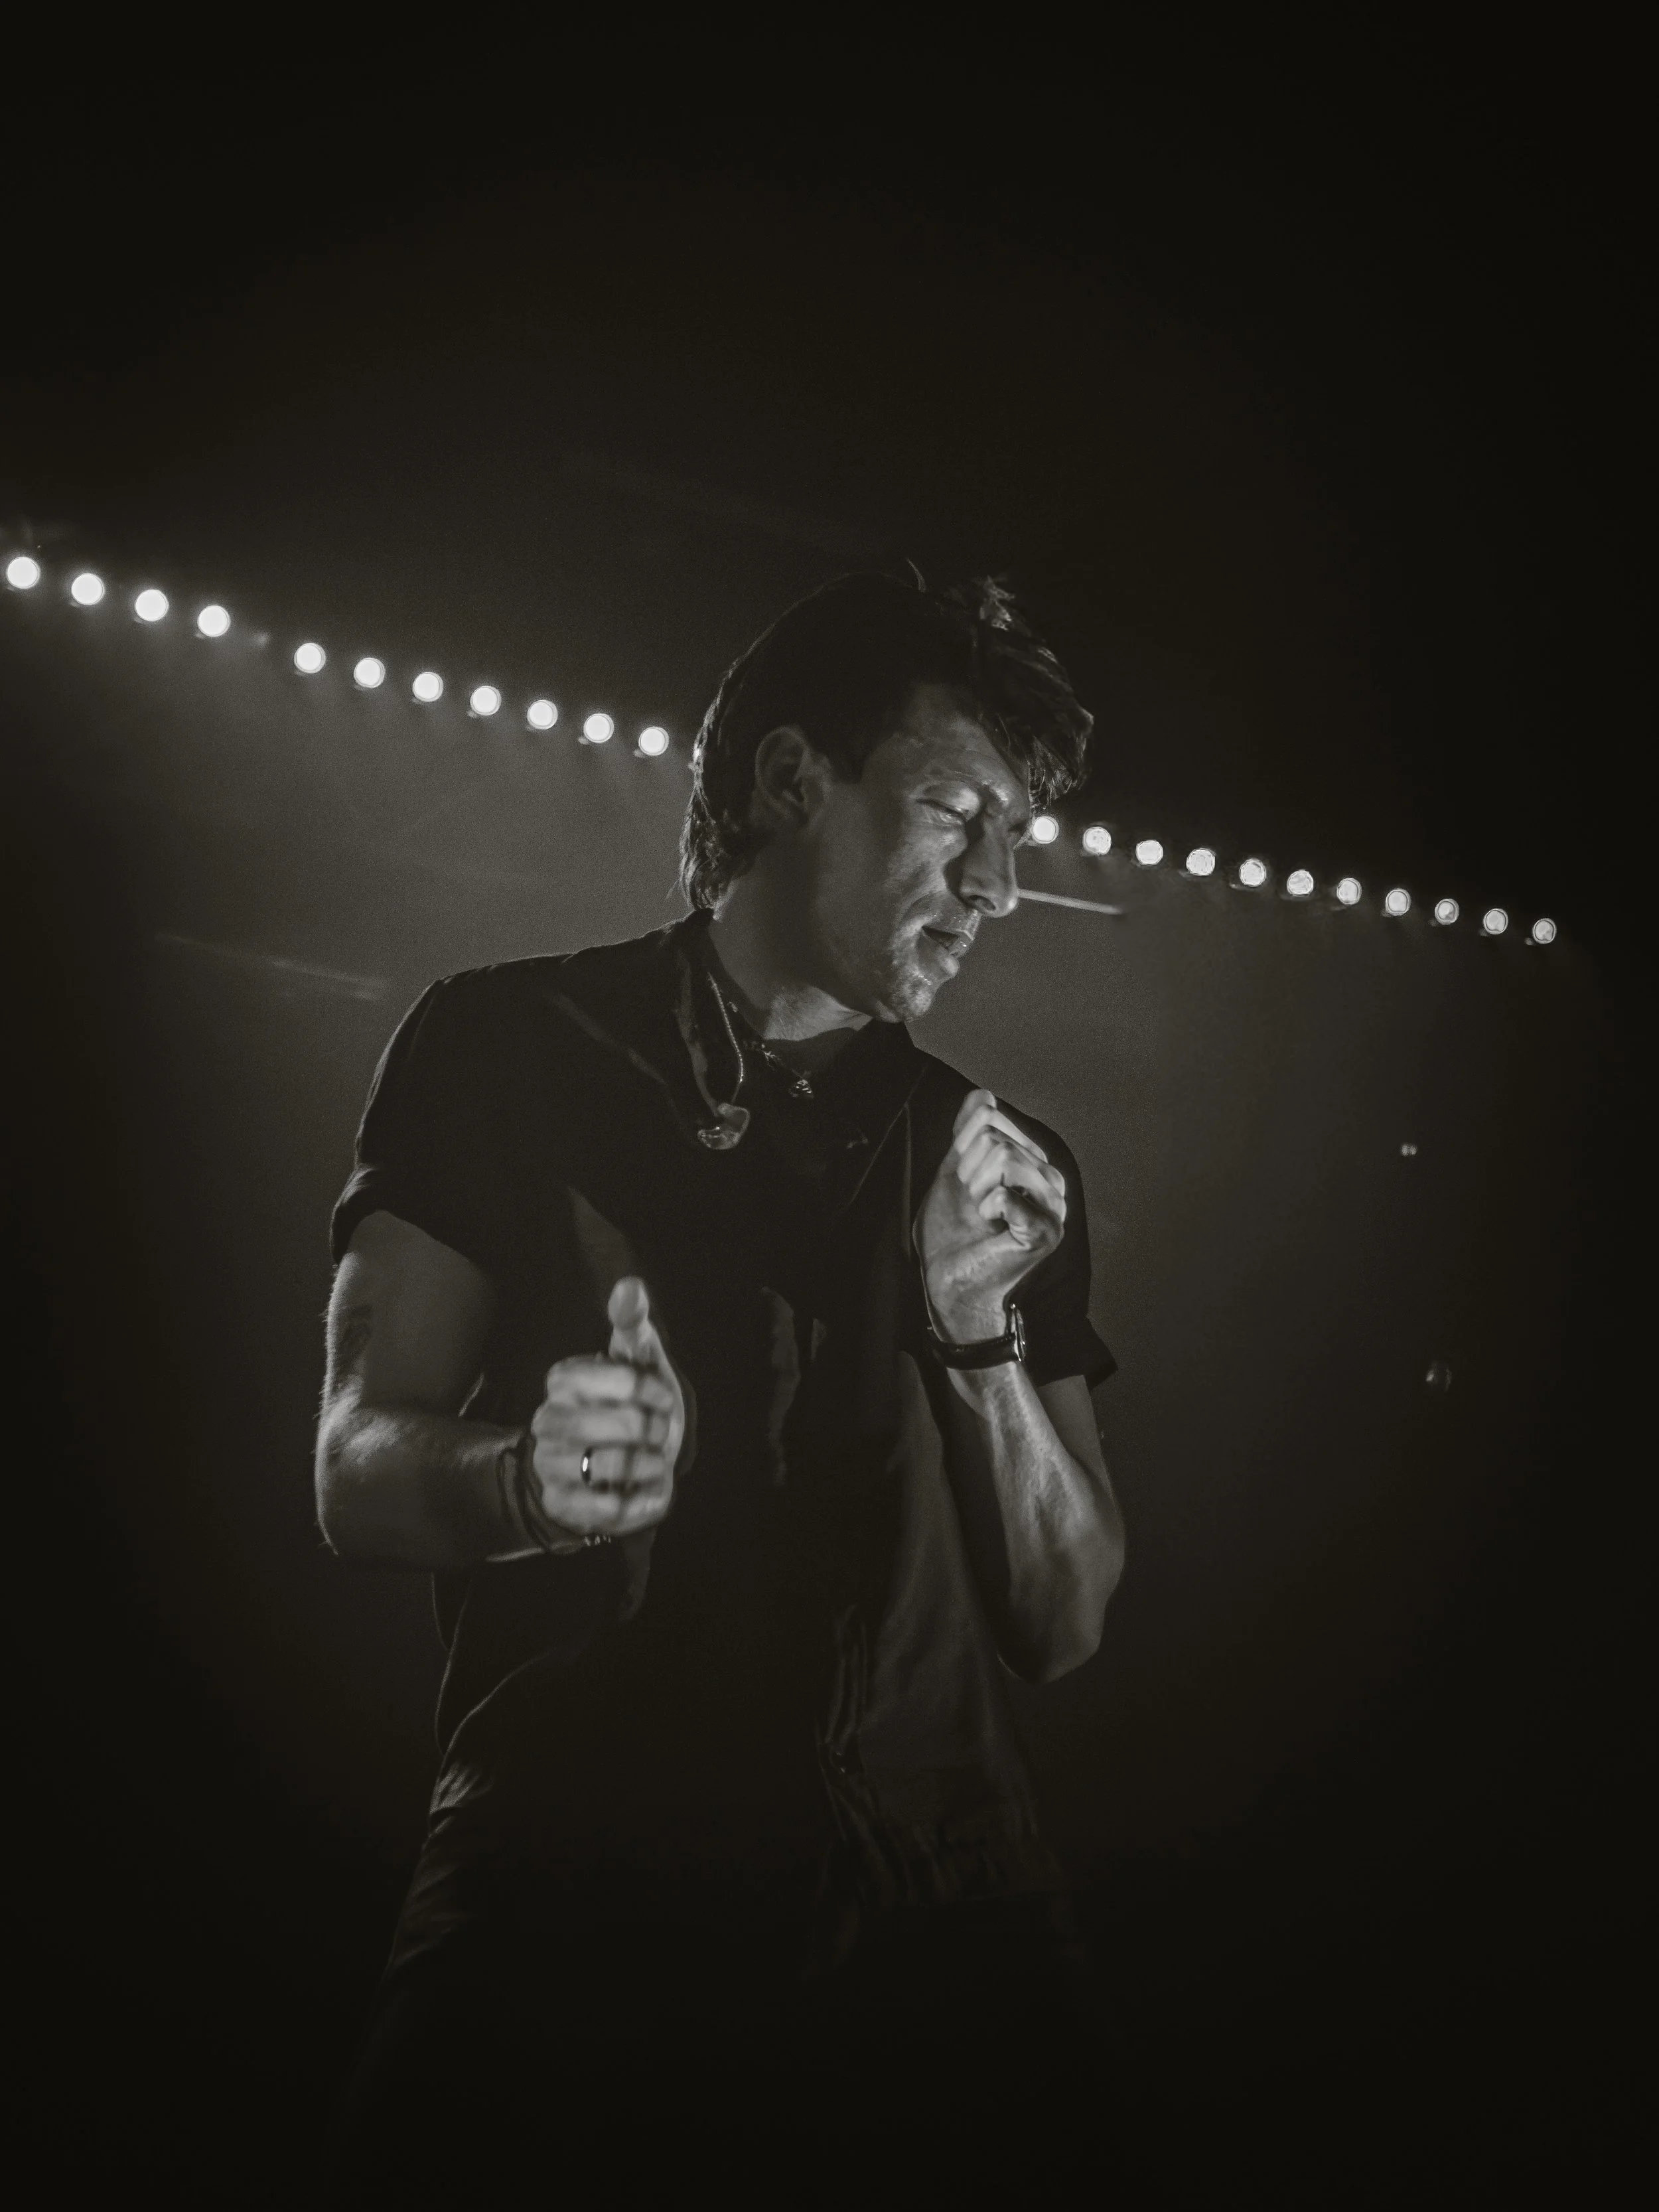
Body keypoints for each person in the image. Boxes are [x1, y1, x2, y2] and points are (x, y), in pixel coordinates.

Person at [316, 572, 1125, 2203]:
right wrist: (519, 1485)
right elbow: (349, 1463)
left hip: (941, 1913)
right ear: (784, 781)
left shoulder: (998, 1166)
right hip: (565, 1890)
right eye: (958, 812)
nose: (997, 886)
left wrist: (973, 1333)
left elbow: (1065, 1619)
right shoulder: (501, 1040)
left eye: (1017, 838)